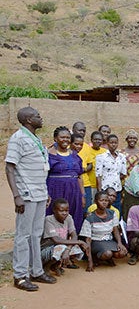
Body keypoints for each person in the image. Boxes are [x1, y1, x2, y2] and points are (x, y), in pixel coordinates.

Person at [6, 107, 56, 291]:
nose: (41, 117)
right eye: (37, 115)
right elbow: (10, 168)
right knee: (23, 236)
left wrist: (45, 192)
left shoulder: (36, 139)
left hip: (40, 194)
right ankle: (19, 276)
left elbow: (40, 168)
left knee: (36, 235)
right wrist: (16, 196)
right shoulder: (17, 139)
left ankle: (36, 270)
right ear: (28, 119)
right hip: (26, 195)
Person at [46, 126, 86, 233]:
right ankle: (54, 242)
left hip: (74, 191)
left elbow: (79, 176)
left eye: (68, 137)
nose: (66, 140)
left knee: (73, 214)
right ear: (55, 138)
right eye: (62, 137)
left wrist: (82, 195)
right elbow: (43, 175)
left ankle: (72, 241)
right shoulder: (49, 154)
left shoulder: (74, 155)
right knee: (56, 214)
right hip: (55, 190)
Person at [80, 191, 127, 271]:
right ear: (95, 202)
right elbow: (88, 240)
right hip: (96, 242)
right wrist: (90, 261)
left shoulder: (112, 213)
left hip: (108, 240)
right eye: (101, 200)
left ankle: (107, 258)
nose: (104, 203)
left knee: (122, 252)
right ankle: (96, 258)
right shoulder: (90, 218)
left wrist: (119, 243)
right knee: (108, 253)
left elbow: (115, 230)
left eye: (106, 200)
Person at [40, 199, 88, 276]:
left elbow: (74, 235)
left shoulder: (69, 218)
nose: (64, 213)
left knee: (75, 248)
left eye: (67, 210)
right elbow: (56, 240)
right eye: (61, 211)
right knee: (62, 248)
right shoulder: (49, 219)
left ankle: (56, 265)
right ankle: (46, 267)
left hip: (60, 246)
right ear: (54, 210)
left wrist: (67, 249)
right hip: (45, 250)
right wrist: (79, 242)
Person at [95, 134, 127, 212]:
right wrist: (100, 190)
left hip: (117, 189)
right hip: (105, 189)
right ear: (107, 143)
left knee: (116, 210)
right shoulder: (101, 157)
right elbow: (98, 175)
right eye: (111, 142)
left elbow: (123, 173)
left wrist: (114, 179)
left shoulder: (122, 157)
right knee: (105, 209)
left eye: (115, 143)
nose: (113, 144)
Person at [82, 131, 108, 208]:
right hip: (90, 185)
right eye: (95, 139)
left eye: (99, 139)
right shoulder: (87, 150)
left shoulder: (105, 152)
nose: (97, 141)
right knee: (90, 206)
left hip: (102, 185)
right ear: (91, 140)